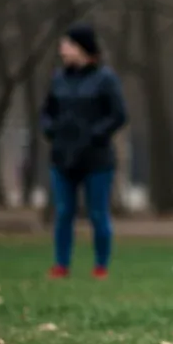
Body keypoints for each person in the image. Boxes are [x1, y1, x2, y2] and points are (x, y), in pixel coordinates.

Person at [40, 24, 127, 279]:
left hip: (96, 159)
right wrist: (51, 131)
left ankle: (101, 266)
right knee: (64, 211)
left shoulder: (105, 79)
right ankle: (61, 265)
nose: (62, 50)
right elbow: (47, 112)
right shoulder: (59, 78)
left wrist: (95, 135)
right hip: (62, 158)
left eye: (67, 45)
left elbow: (119, 115)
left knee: (98, 213)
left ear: (82, 48)